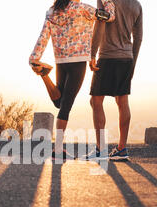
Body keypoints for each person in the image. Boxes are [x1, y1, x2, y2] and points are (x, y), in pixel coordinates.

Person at [29, 0, 115, 160]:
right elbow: (109, 16)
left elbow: (43, 36)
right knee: (65, 106)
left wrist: (35, 57)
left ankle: (45, 74)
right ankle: (58, 150)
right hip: (77, 62)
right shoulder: (82, 8)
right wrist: (107, 1)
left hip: (60, 61)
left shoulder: (52, 11)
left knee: (59, 103)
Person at [87, 0, 143, 161]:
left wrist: (92, 54)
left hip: (107, 56)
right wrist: (133, 62)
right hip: (126, 58)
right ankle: (122, 148)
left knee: (96, 101)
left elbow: (100, 24)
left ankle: (100, 150)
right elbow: (138, 37)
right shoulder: (136, 5)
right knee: (122, 101)